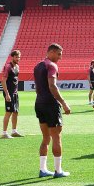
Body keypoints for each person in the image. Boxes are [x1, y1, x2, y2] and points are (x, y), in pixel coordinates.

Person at [34, 43, 72, 178]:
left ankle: (43, 169)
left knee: (45, 137)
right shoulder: (51, 65)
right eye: (59, 54)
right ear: (52, 52)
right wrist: (64, 103)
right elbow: (52, 85)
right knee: (56, 137)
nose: (60, 57)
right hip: (50, 104)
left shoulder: (38, 65)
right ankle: (58, 170)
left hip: (39, 102)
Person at [1, 50, 22, 138]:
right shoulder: (8, 66)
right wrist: (7, 94)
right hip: (9, 93)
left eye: (19, 57)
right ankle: (4, 133)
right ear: (12, 57)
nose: (18, 59)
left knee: (15, 112)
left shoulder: (17, 66)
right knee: (8, 112)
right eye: (16, 57)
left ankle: (14, 131)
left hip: (15, 93)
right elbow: (3, 80)